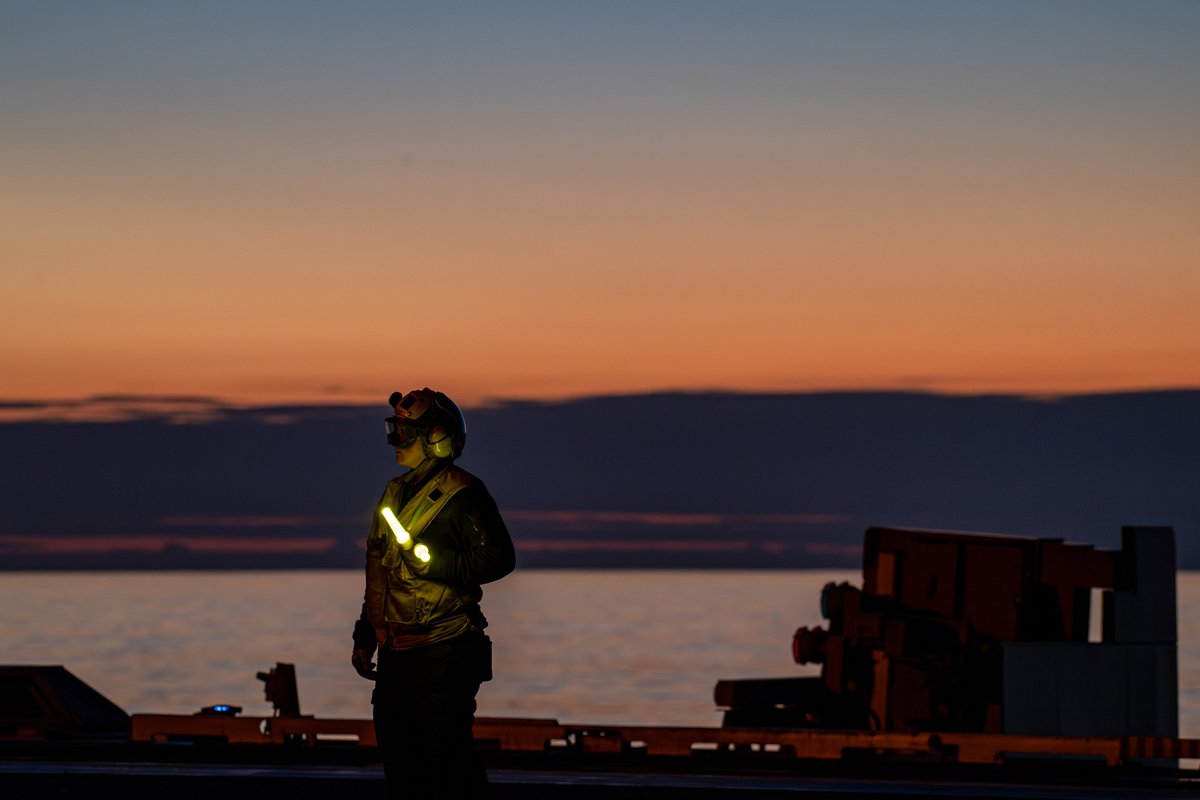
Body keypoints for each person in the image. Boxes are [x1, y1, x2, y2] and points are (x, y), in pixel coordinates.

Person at [351, 387, 516, 799]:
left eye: (404, 433)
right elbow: (383, 573)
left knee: (448, 761)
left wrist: (438, 563)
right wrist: (365, 636)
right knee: (401, 765)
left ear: (436, 438)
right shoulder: (394, 494)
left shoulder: (464, 493)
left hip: (445, 651)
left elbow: (500, 557)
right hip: (397, 654)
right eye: (394, 431)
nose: (395, 442)